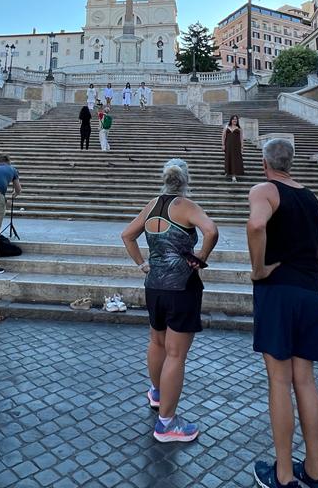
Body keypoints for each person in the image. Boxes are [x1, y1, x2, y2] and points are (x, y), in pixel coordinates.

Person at [248, 138, 318, 488]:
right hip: (309, 291)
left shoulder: (264, 190)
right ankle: (315, 471)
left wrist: (258, 269)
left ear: (266, 163)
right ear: (291, 162)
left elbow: (256, 226)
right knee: (306, 381)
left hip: (278, 291)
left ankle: (283, 475)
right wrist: (314, 284)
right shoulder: (313, 198)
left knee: (280, 381)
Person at [121, 159, 219, 443]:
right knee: (176, 354)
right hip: (181, 286)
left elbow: (127, 235)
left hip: (154, 285)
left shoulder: (152, 204)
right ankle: (166, 424)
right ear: (186, 180)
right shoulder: (186, 206)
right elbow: (211, 230)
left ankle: (157, 393)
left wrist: (142, 263)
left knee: (156, 341)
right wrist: (201, 259)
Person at [222, 115, 245, 183]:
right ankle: (227, 171)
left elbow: (241, 138)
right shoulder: (227, 127)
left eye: (236, 119)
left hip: (236, 146)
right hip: (228, 146)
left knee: (235, 160)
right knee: (228, 158)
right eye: (233, 119)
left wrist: (242, 147)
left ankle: (234, 176)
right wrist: (223, 145)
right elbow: (223, 136)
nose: (234, 120)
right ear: (231, 120)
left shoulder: (239, 128)